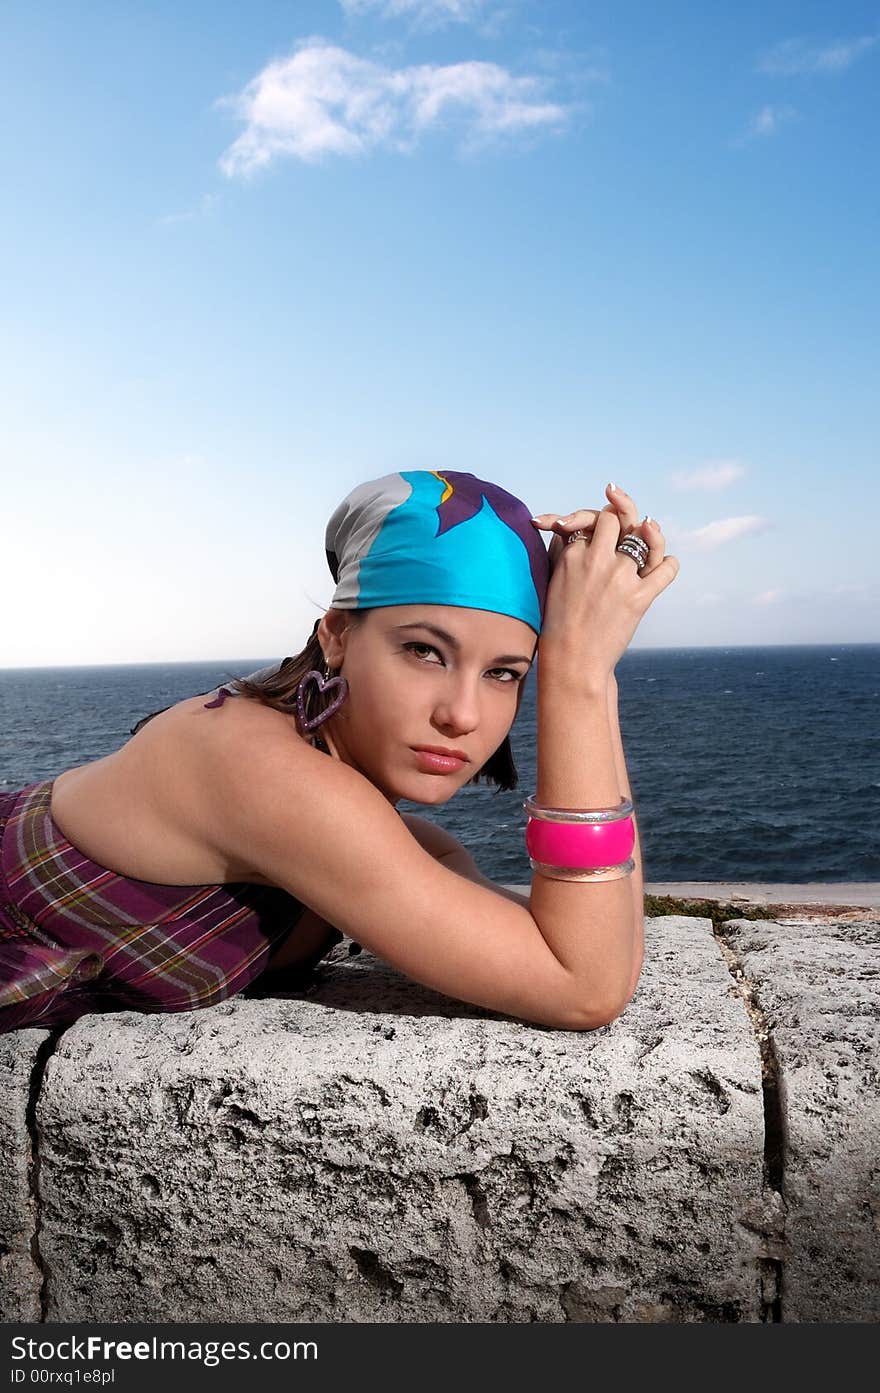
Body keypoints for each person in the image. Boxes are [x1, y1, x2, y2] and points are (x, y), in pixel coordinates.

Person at [0, 471, 677, 1035]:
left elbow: (596, 949)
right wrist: (577, 678)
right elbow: (584, 982)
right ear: (336, 635)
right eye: (423, 650)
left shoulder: (345, 805)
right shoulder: (273, 777)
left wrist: (594, 665)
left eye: (505, 672)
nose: (462, 714)